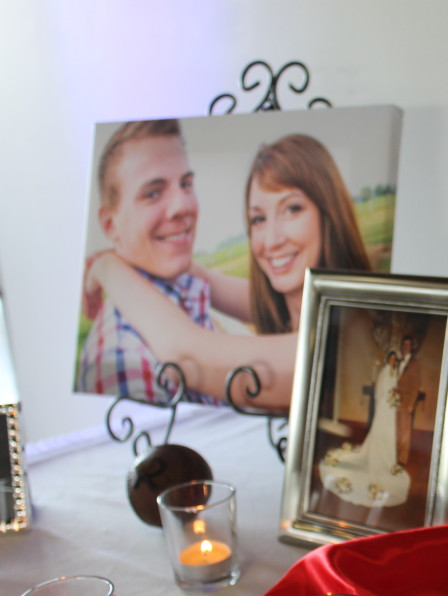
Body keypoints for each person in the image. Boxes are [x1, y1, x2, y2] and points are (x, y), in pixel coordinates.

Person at [84, 133, 373, 410]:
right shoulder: (301, 306)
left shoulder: (346, 337)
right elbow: (220, 285)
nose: (271, 240)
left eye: (292, 209)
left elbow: (187, 357)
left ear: (329, 214)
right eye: (258, 219)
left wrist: (107, 268)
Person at [76, 119, 222, 404]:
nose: (183, 206)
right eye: (153, 193)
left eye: (186, 184)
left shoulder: (188, 294)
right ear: (110, 225)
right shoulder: (122, 359)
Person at [319, 349, 411, 508]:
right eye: (391, 359)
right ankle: (376, 454)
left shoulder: (395, 372)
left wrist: (394, 398)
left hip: (391, 408)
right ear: (388, 359)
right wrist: (386, 398)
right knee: (379, 429)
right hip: (384, 406)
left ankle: (386, 457)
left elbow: (395, 387)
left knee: (389, 431)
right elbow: (380, 390)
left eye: (395, 359)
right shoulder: (384, 372)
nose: (392, 361)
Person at [395, 334, 422, 466]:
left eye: (408, 345)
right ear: (401, 346)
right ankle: (394, 455)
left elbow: (416, 385)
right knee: (396, 430)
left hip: (407, 402)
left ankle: (402, 459)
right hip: (396, 401)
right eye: (404, 345)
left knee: (405, 432)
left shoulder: (414, 364)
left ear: (411, 347)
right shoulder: (398, 362)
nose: (406, 347)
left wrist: (411, 404)